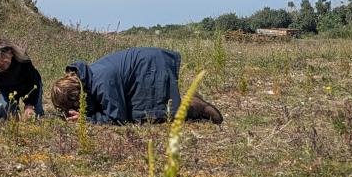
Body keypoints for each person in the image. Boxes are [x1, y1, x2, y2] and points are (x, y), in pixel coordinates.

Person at [50, 47, 223, 124]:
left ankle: (195, 105)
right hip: (144, 65)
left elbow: (117, 118)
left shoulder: (102, 83)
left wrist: (87, 120)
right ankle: (189, 101)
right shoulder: (89, 77)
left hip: (149, 68)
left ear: (78, 97)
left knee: (152, 115)